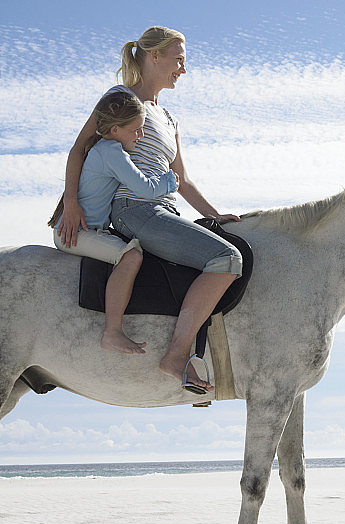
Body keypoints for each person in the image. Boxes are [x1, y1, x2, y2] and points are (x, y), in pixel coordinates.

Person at [60, 26, 242, 395]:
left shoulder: (170, 118)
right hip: (135, 209)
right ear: (154, 56)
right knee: (227, 259)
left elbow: (182, 178)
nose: (183, 69)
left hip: (166, 210)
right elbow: (79, 149)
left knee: (225, 245)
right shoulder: (121, 99)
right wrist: (71, 202)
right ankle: (175, 356)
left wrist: (215, 214)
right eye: (179, 60)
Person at [50, 91, 179, 354]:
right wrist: (170, 181)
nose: (140, 137)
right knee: (131, 257)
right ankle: (112, 331)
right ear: (116, 129)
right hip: (76, 235)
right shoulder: (112, 153)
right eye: (137, 130)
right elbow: (145, 188)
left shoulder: (106, 148)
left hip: (89, 230)